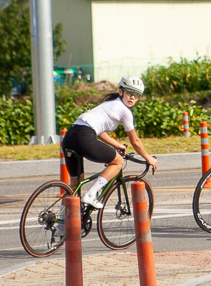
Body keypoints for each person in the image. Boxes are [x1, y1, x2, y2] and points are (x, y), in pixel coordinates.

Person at [62, 76, 158, 210]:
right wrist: (148, 158)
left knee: (75, 184)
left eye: (136, 95)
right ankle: (91, 195)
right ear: (121, 91)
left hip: (70, 136)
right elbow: (135, 141)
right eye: (130, 93)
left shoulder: (108, 104)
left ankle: (61, 219)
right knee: (118, 162)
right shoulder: (125, 111)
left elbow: (98, 131)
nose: (132, 98)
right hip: (84, 137)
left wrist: (116, 145)